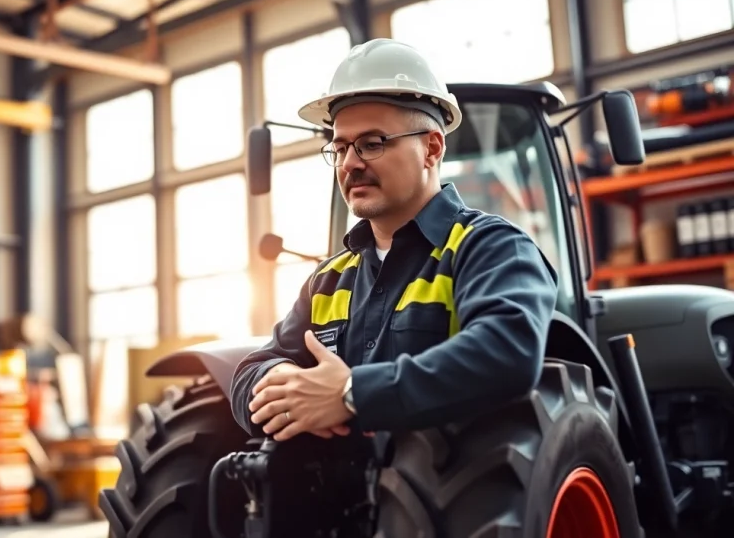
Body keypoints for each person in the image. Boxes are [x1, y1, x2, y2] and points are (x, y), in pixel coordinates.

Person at [229, 39, 560, 442]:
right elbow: (251, 368)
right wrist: (277, 379)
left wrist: (352, 394)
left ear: (431, 148)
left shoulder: (489, 249)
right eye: (339, 147)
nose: (350, 163)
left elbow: (507, 352)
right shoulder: (330, 279)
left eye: (372, 143)